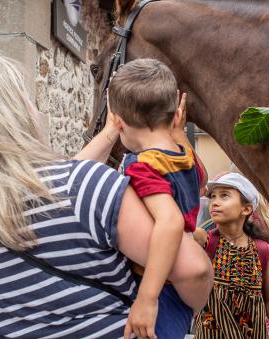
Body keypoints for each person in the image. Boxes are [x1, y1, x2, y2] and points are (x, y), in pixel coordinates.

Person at [0, 51, 213, 339]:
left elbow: (62, 183)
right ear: (15, 113)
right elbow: (194, 271)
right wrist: (183, 311)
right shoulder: (82, 187)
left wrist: (111, 130)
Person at [105, 58, 208, 339]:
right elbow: (202, 179)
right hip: (178, 286)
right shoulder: (184, 155)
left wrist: (147, 299)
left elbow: (171, 221)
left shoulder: (142, 165)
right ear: (175, 114)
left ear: (117, 123)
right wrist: (179, 135)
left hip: (156, 283)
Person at [193, 173, 269, 339]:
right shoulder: (204, 241)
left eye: (224, 196)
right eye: (213, 197)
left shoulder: (263, 251)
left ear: (246, 209)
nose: (215, 202)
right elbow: (180, 225)